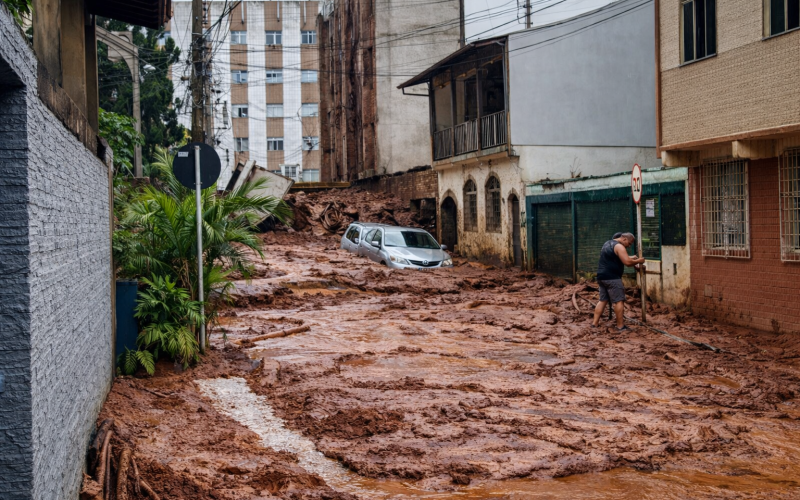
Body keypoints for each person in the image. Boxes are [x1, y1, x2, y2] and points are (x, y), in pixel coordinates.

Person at [591, 232, 645, 331]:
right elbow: (627, 262)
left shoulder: (607, 244)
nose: (629, 246)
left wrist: (633, 258)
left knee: (603, 300)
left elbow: (619, 258)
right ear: (624, 239)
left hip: (601, 276)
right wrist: (639, 261)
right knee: (619, 301)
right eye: (629, 243)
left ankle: (594, 323)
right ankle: (620, 326)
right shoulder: (619, 246)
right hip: (612, 278)